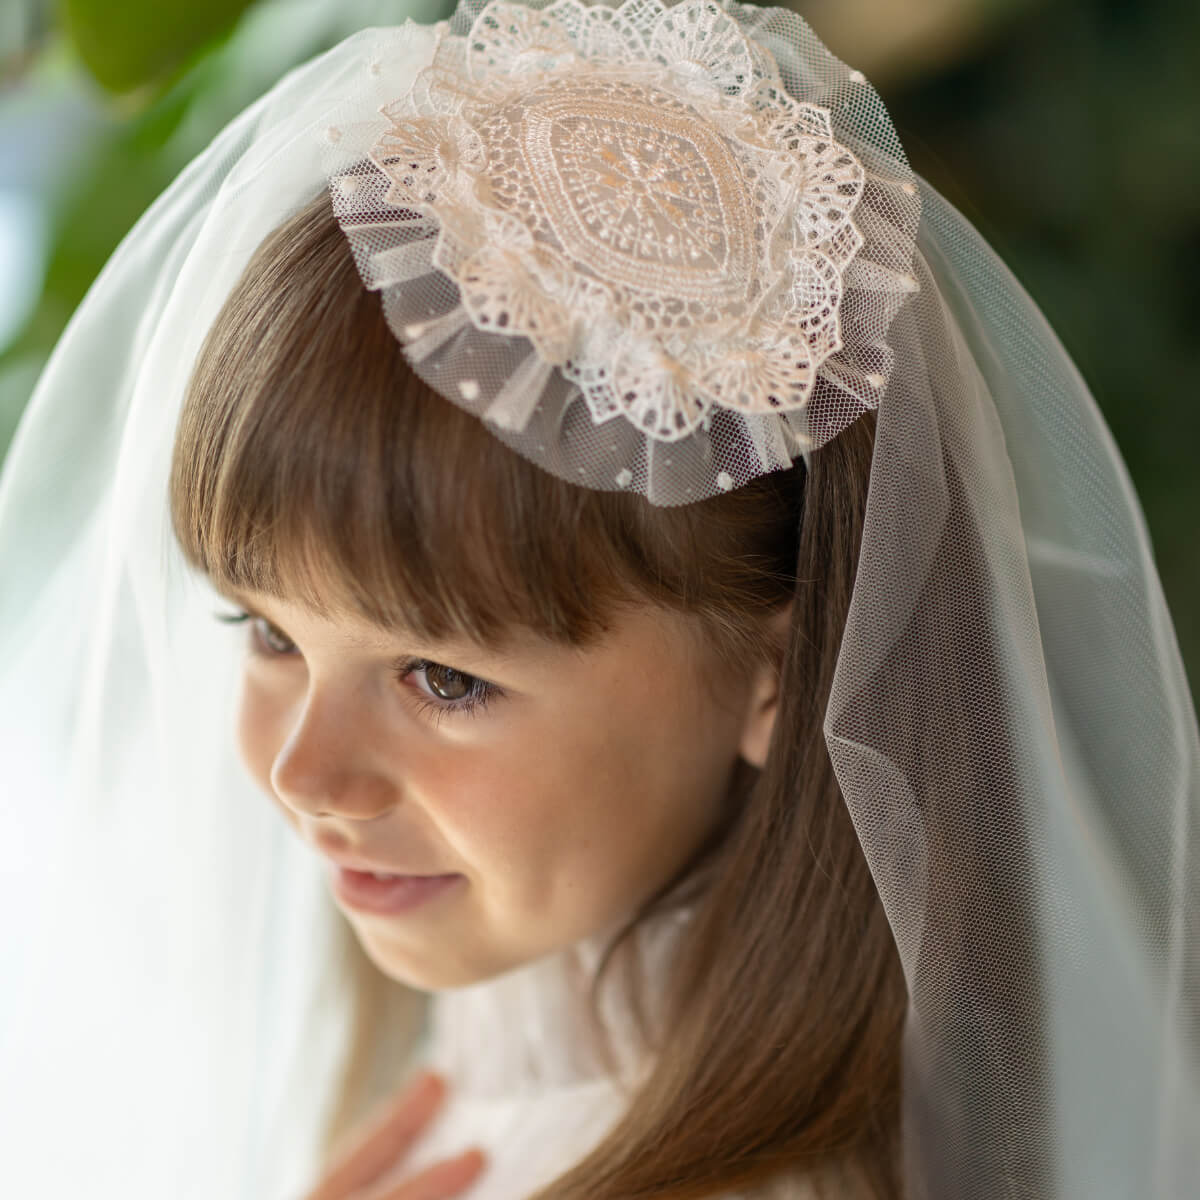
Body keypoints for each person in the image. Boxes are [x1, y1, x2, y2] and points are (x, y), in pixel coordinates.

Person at [0, 1, 1196, 1198]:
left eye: (446, 678)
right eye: (266, 631)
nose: (302, 774)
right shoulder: (485, 1081)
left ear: (774, 676)